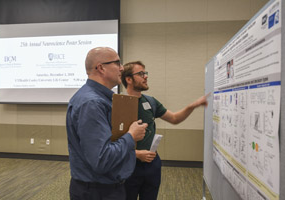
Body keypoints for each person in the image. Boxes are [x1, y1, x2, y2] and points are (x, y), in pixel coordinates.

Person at [66, 48, 148, 200]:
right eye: (117, 63)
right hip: (97, 192)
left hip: (100, 188)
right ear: (101, 68)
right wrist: (131, 136)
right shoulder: (92, 103)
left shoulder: (98, 99)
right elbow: (102, 159)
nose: (122, 68)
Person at [121, 61, 209, 200]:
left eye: (146, 73)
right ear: (128, 79)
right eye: (141, 74)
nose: (146, 76)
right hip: (128, 165)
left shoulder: (151, 101)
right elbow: (111, 140)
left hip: (152, 164)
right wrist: (136, 153)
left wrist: (192, 106)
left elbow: (174, 118)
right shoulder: (118, 103)